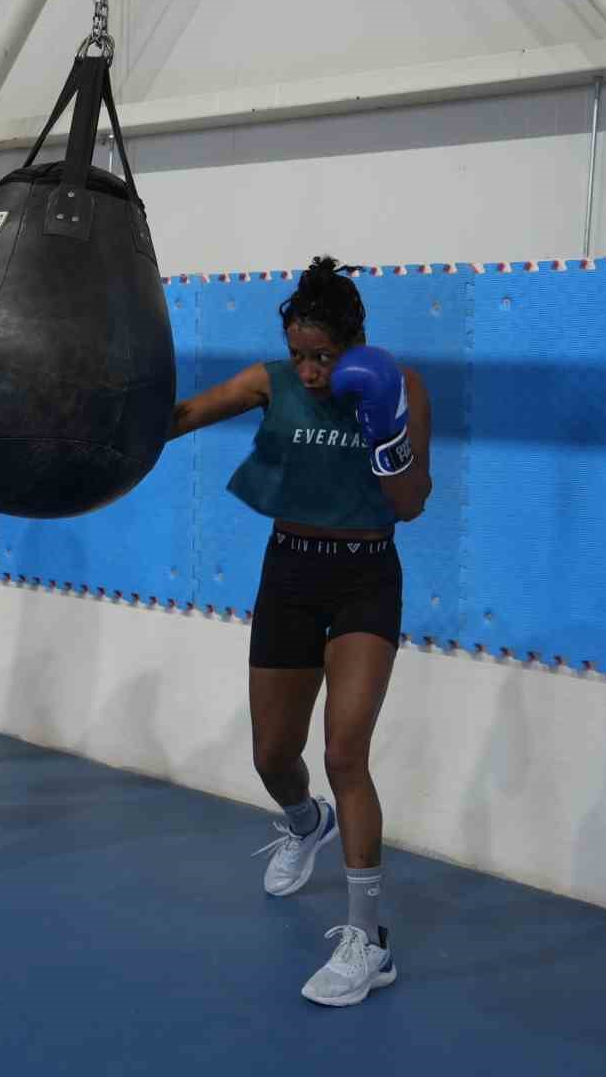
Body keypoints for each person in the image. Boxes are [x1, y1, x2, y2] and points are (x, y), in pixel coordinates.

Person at [168, 256, 432, 1007]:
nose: (312, 372)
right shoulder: (268, 382)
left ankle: (366, 939)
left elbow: (411, 503)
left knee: (346, 752)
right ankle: (302, 821)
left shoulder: (402, 388)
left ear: (357, 342)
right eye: (300, 357)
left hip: (366, 577)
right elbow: (180, 419)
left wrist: (386, 434)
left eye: (325, 357)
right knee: (272, 756)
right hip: (288, 573)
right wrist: (102, 419)